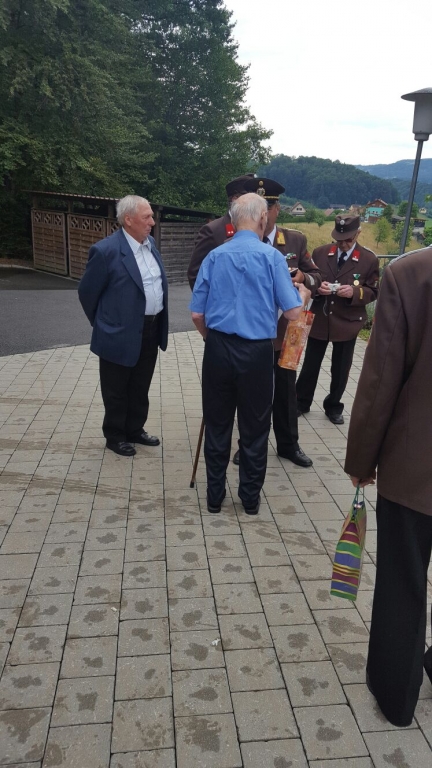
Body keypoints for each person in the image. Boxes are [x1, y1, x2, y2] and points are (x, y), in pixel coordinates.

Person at [344, 244, 432, 728]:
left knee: (403, 579)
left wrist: (362, 459)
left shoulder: (413, 273)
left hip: (415, 465)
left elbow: (381, 380)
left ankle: (397, 695)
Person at [190, 193, 310, 515]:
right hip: (256, 352)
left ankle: (214, 497)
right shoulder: (272, 258)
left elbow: (197, 314)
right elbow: (293, 313)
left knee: (217, 423)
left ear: (233, 219)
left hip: (218, 347)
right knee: (255, 426)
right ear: (262, 219)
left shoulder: (214, 256)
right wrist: (302, 294)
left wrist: (212, 340)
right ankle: (250, 499)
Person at [78, 195, 168, 457]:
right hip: (117, 333)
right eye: (147, 217)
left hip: (150, 329)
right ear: (128, 220)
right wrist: (105, 324)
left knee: (140, 384)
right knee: (116, 389)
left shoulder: (150, 244)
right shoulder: (105, 251)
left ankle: (134, 429)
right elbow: (87, 293)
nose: (152, 222)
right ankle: (115, 436)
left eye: (152, 216)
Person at [243, 176, 322, 467]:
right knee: (252, 394)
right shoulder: (241, 241)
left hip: (287, 332)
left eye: (267, 209)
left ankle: (288, 445)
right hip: (253, 333)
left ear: (276, 210)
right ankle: (249, 444)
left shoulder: (294, 240)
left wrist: (303, 277)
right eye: (257, 209)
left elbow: (317, 276)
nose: (262, 215)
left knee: (287, 392)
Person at [296, 214, 379, 425]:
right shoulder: (320, 253)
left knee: (341, 369)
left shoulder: (369, 259)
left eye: (347, 240)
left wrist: (354, 292)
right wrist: (317, 288)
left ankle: (333, 406)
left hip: (347, 322)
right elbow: (310, 279)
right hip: (321, 318)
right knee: (310, 365)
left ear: (358, 234)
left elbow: (373, 291)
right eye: (339, 240)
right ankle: (301, 401)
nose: (342, 244)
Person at [187, 173, 255, 289]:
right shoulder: (212, 230)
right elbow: (195, 273)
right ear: (235, 199)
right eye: (250, 198)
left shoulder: (256, 228)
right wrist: (213, 299)